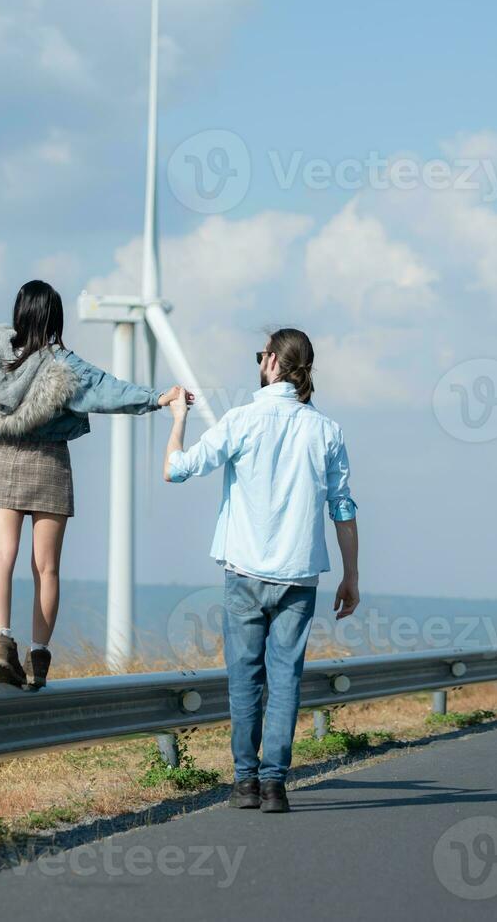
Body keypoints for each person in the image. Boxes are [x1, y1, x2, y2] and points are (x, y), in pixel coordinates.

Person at [0, 272, 189, 689]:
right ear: (56, 318)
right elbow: (108, 389)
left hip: (4, 457)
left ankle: (1, 643)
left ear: (19, 313)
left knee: (1, 555)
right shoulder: (63, 366)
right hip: (49, 464)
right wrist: (158, 398)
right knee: (46, 568)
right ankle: (39, 656)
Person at [162, 328, 360, 813]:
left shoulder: (241, 420)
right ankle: (275, 784)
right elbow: (344, 510)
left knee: (244, 678)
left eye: (260, 355)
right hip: (299, 575)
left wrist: (178, 418)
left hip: (244, 572)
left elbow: (177, 470)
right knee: (286, 677)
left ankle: (245, 782)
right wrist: (351, 576)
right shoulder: (327, 431)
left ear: (271, 362)